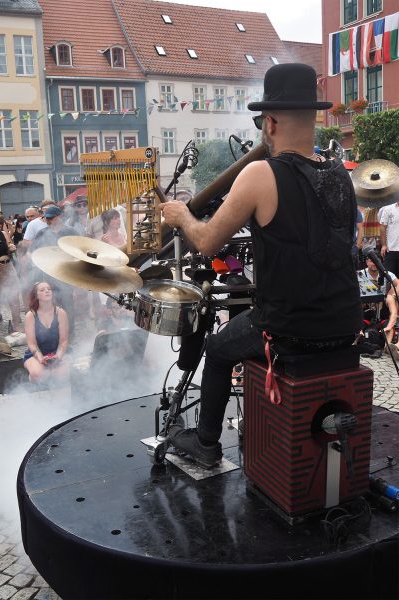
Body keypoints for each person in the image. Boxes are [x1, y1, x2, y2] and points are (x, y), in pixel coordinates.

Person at [160, 63, 362, 468]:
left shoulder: (259, 174)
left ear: (269, 123)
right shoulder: (341, 174)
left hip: (289, 328)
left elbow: (208, 240)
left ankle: (206, 443)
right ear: (314, 117)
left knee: (218, 350)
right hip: (345, 325)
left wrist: (182, 216)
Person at [23, 281, 69, 383]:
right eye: (42, 290)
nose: (47, 291)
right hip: (36, 354)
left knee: (60, 375)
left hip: (58, 351)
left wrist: (58, 356)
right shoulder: (31, 315)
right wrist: (40, 358)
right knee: (39, 375)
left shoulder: (60, 313)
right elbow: (32, 343)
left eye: (49, 289)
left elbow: (64, 341)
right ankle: (32, 379)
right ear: (36, 295)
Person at [358, 253, 399, 359]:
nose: (374, 264)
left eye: (376, 261)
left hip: (383, 303)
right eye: (371, 261)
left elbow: (398, 284)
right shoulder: (360, 274)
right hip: (366, 305)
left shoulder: (386, 274)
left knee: (388, 325)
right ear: (367, 262)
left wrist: (391, 293)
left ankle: (387, 347)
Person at [0, 215, 21, 332]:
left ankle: (16, 327)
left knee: (14, 297)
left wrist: (11, 248)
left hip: (8, 267)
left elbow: (9, 247)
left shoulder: (3, 233)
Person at [379, 202, 399, 279]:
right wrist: (383, 245)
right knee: (389, 278)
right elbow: (383, 227)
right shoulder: (388, 209)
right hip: (391, 249)